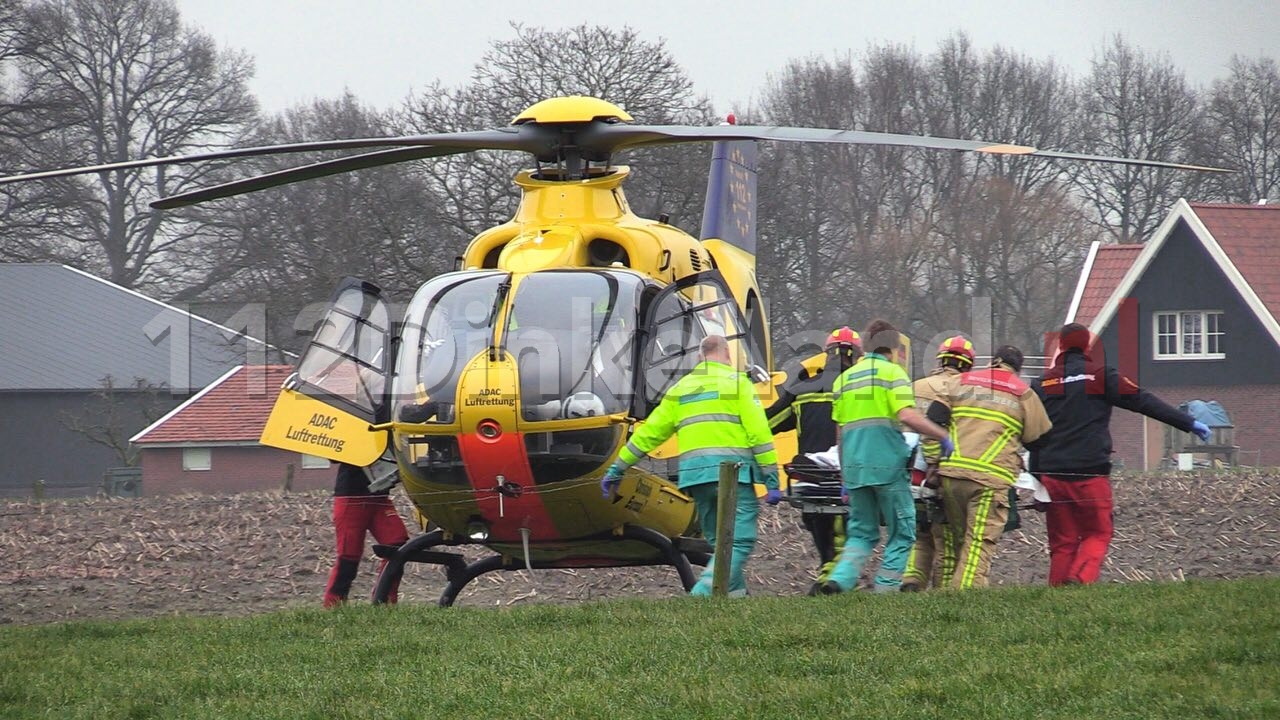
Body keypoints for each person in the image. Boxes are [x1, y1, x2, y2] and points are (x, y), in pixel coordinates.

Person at [1029, 323, 1210, 586]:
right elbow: (1142, 400)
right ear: (1087, 347)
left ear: (1061, 347)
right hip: (1090, 473)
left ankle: (1057, 594)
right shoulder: (1100, 376)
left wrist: (1037, 481)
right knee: (1098, 532)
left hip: (1053, 475)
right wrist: (1187, 422)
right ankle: (1080, 580)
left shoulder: (1041, 384)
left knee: (1063, 542)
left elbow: (1034, 435)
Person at [601, 335, 781, 597]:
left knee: (721, 545)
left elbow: (649, 434)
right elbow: (759, 435)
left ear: (700, 357)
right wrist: (772, 478)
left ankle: (737, 600)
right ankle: (700, 596)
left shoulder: (680, 389)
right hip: (734, 476)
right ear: (728, 354)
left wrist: (617, 468)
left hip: (696, 479)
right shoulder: (738, 383)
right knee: (738, 541)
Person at [820, 320, 953, 594]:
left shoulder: (844, 380)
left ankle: (839, 581)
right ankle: (886, 589)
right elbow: (907, 416)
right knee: (902, 532)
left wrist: (845, 476)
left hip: (855, 469)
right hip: (887, 467)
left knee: (861, 533)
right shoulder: (892, 374)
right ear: (893, 348)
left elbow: (840, 432)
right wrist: (940, 435)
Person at [927, 345, 1052, 589]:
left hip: (951, 475)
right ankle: (961, 603)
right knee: (977, 544)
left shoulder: (959, 382)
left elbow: (932, 423)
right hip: (990, 479)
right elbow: (1040, 440)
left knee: (955, 540)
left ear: (993, 361)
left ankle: (942, 596)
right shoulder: (1023, 392)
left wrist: (933, 464)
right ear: (1018, 368)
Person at [765, 326, 862, 584]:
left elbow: (768, 422)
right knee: (848, 528)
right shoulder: (862, 388)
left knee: (820, 524)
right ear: (854, 356)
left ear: (827, 354)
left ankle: (828, 568)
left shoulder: (802, 388)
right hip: (847, 479)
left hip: (809, 480)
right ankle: (834, 575)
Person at [901, 335, 975, 592]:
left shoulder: (915, 386)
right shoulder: (966, 390)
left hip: (913, 478)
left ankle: (911, 582)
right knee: (947, 540)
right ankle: (942, 595)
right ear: (967, 364)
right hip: (944, 475)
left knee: (920, 537)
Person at [323, 461, 411, 608]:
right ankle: (333, 607)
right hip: (351, 498)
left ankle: (384, 603)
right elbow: (333, 455)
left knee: (397, 545)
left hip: (379, 497)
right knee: (348, 557)